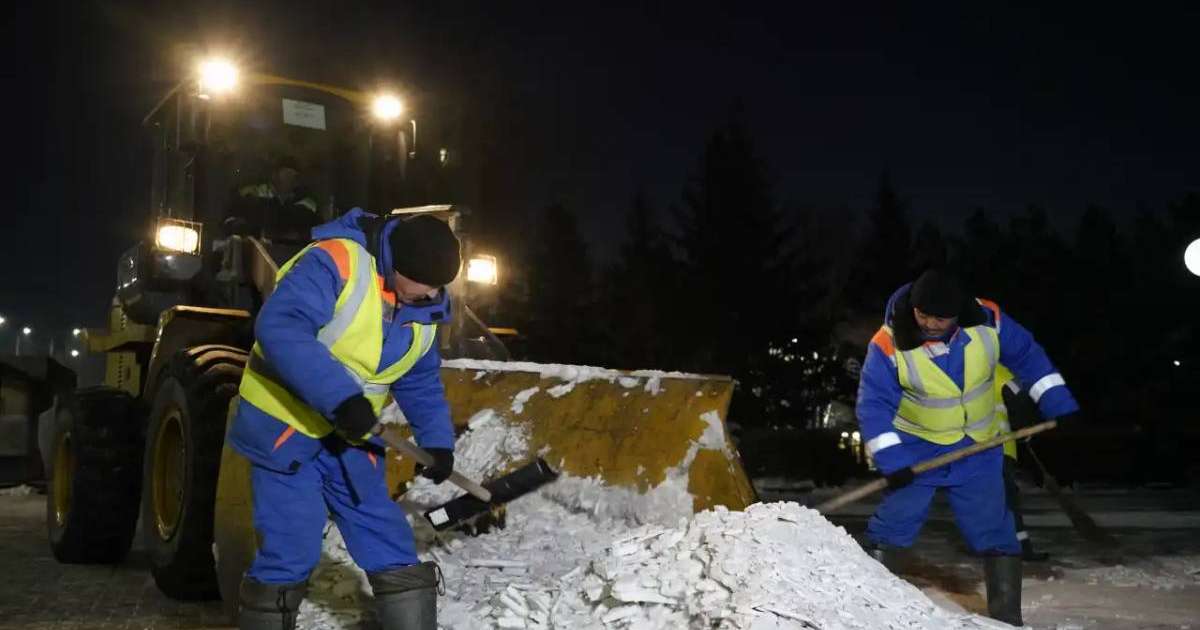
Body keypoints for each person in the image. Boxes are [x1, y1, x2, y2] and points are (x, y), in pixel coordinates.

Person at [228, 207, 462, 630]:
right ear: (395, 263)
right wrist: (340, 398)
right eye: (421, 284)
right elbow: (280, 327)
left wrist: (437, 441)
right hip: (286, 429)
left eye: (437, 287)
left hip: (351, 438)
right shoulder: (335, 262)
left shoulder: (425, 309)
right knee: (292, 546)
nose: (429, 295)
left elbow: (420, 381)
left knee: (388, 536)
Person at [856, 269, 1078, 626]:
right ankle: (865, 612)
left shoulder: (991, 321)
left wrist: (1059, 403)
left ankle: (1007, 619)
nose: (929, 323)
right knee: (893, 525)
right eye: (922, 314)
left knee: (995, 528)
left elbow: (1028, 357)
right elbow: (873, 404)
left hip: (978, 447)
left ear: (959, 313)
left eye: (940, 317)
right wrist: (892, 459)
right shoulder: (887, 343)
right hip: (916, 449)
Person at [995, 364, 1050, 561]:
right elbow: (1018, 402)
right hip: (999, 449)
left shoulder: (964, 368)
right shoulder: (1003, 373)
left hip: (970, 450)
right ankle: (1019, 548)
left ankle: (993, 546)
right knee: (1008, 499)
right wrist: (1023, 430)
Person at [225, 155, 321, 241]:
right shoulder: (251, 195)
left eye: (294, 175)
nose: (291, 178)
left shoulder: (307, 204)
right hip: (254, 254)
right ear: (274, 174)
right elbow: (229, 222)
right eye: (287, 173)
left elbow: (315, 231)